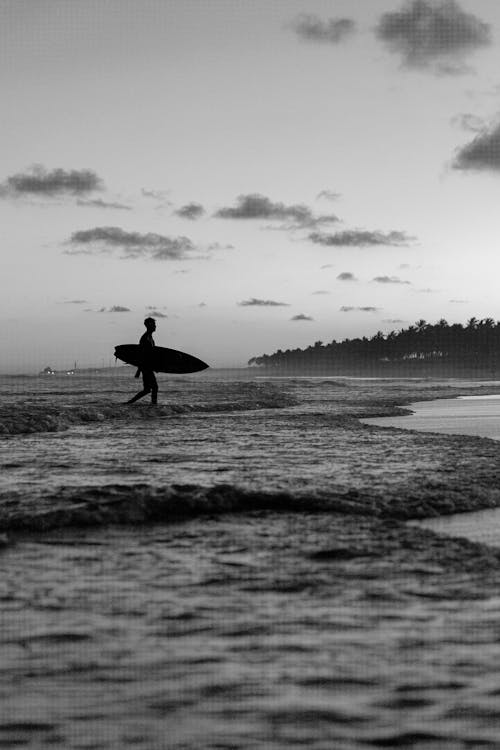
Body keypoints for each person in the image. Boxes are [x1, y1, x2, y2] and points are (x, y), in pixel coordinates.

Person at [126, 317, 158, 404]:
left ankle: (130, 403)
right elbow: (142, 355)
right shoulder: (145, 338)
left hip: (148, 367)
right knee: (153, 387)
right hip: (145, 367)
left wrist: (156, 366)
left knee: (148, 389)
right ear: (149, 325)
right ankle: (153, 405)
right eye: (154, 325)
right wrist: (139, 370)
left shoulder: (150, 338)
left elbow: (151, 355)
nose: (155, 326)